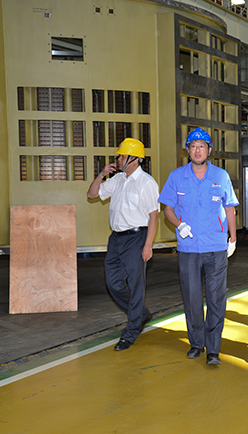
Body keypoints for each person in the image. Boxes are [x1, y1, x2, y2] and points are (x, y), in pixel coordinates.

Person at [158, 127, 238, 366]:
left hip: (216, 247)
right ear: (187, 150)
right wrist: (179, 225)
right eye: (193, 146)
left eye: (202, 146)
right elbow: (167, 209)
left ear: (209, 150)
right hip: (189, 248)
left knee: (216, 299)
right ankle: (196, 343)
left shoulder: (221, 176)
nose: (197, 150)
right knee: (192, 298)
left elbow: (230, 208)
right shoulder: (176, 176)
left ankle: (213, 349)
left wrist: (233, 238)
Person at [86, 138, 159, 351]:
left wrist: (148, 245)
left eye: (122, 156)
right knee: (113, 284)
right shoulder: (117, 179)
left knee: (136, 285)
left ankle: (131, 331)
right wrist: (101, 174)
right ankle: (140, 313)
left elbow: (154, 216)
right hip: (116, 239)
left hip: (136, 238)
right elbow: (92, 194)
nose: (118, 159)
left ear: (134, 159)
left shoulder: (147, 183)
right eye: (119, 156)